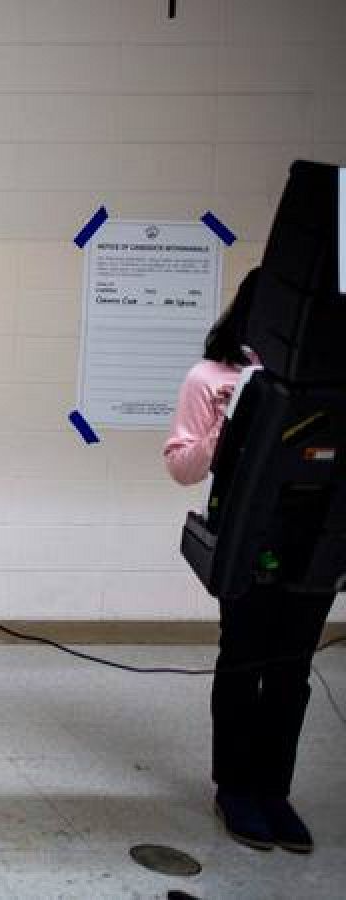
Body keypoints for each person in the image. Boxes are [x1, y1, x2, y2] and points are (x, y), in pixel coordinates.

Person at [164, 267, 334, 854]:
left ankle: (274, 792)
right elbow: (181, 465)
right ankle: (235, 788)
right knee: (243, 662)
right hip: (249, 538)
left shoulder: (330, 383)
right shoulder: (211, 377)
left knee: (292, 671)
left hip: (315, 542)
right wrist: (229, 426)